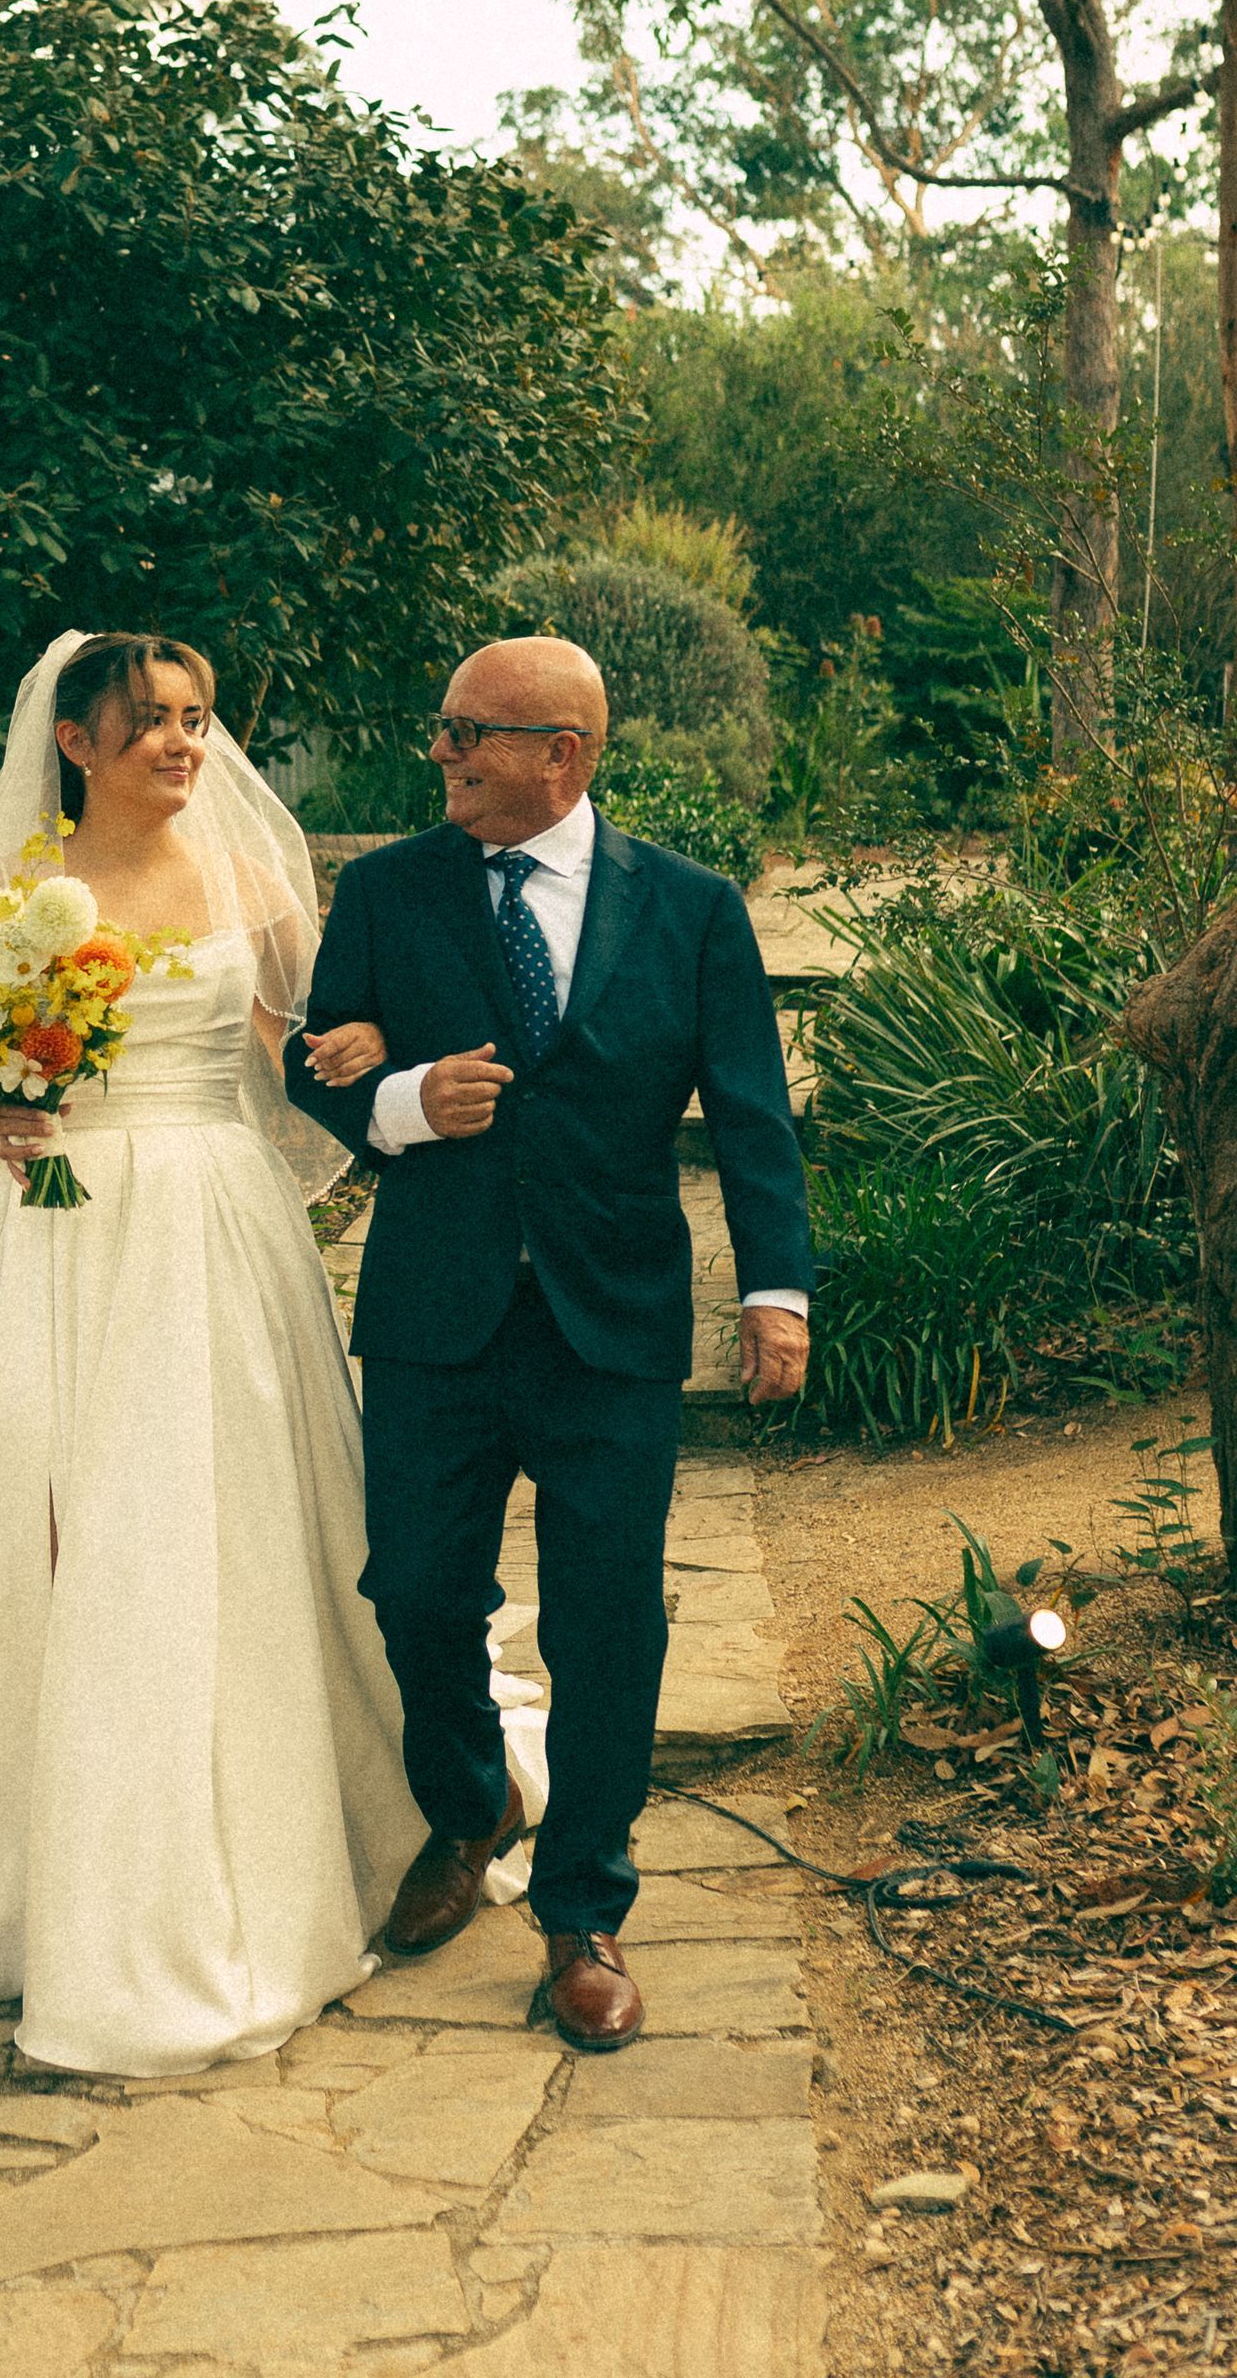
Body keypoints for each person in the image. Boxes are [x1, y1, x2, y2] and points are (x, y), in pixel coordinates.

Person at [0, 630, 429, 2078]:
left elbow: (300, 1068)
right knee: (48, 1534)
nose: (185, 748)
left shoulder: (254, 885)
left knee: (214, 1529)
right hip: (56, 1240)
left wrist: (374, 1060)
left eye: (198, 722)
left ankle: (227, 1842)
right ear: (77, 743)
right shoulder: (5, 896)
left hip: (208, 1233)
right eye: (152, 728)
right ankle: (28, 1866)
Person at [285, 634, 811, 2054]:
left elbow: (754, 1116)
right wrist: (401, 1102)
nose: (442, 754)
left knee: (606, 1620)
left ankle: (583, 1907)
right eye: (443, 728)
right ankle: (472, 1808)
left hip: (611, 1322)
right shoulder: (389, 889)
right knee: (413, 1591)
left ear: (561, 753)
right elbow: (315, 1055)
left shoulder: (692, 911)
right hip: (434, 1320)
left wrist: (778, 1292)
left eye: (469, 733)